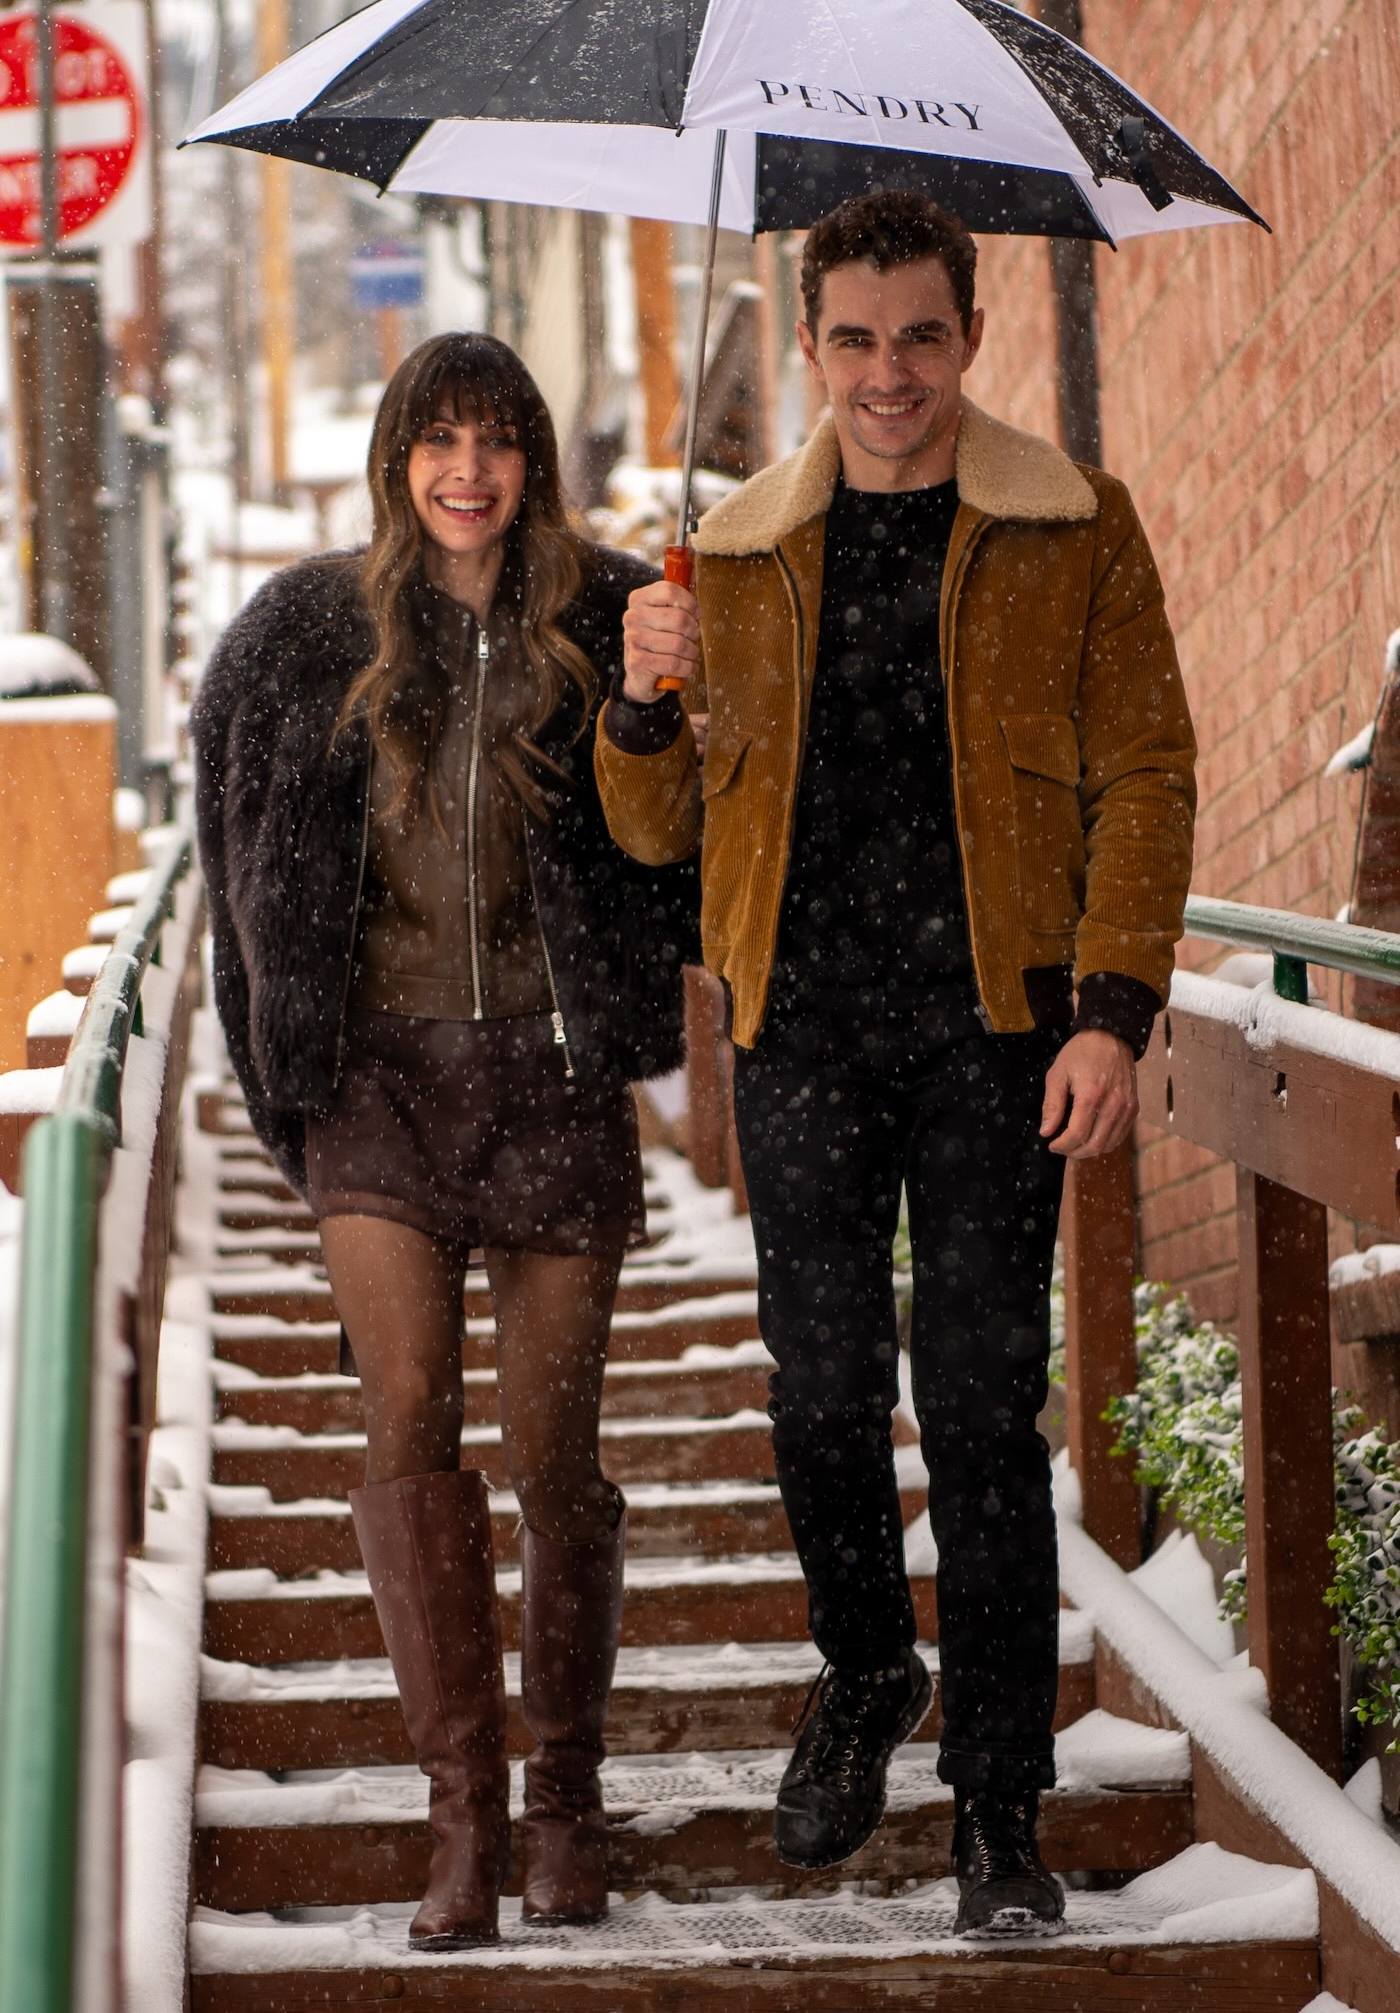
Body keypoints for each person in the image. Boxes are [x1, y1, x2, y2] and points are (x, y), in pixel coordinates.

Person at [594, 192, 1195, 1936]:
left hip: (1002, 1021)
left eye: (919, 335)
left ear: (973, 335)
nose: (887, 374)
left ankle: (998, 1809)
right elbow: (657, 833)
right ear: (808, 345)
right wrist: (644, 700)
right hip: (803, 1022)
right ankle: (867, 1668)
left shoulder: (1077, 524)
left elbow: (1145, 771)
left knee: (989, 1415)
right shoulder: (735, 547)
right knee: (822, 1387)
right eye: (852, 338)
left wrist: (1114, 1004)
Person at [191, 332, 697, 1950]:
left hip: (551, 1078)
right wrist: (284, 1069)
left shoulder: (616, 612)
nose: (466, 469)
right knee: (410, 1411)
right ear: (397, 458)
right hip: (382, 1088)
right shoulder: (302, 633)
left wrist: (649, 701)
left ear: (533, 457)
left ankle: (566, 1795)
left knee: (556, 1449)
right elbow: (234, 853)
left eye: (493, 438)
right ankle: (460, 1814)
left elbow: (679, 863)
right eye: (437, 438)